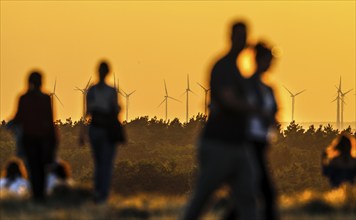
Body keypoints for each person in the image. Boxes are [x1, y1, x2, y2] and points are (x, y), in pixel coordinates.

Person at [182, 22, 260, 220]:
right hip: (219, 143)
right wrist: (254, 109)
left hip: (238, 143)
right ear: (231, 37)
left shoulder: (237, 69)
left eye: (245, 36)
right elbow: (228, 100)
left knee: (248, 197)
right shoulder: (222, 67)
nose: (242, 41)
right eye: (238, 36)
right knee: (204, 196)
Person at [12, 71, 57, 201]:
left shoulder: (24, 98)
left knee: (32, 168)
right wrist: (53, 140)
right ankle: (40, 195)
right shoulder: (45, 98)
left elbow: (18, 118)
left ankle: (36, 195)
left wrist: (11, 124)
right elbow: (50, 120)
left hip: (29, 139)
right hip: (43, 140)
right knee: (42, 169)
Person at [85, 60, 125, 204]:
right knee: (106, 163)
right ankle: (103, 194)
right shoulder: (111, 91)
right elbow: (116, 109)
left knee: (99, 163)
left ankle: (98, 193)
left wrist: (82, 134)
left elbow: (87, 112)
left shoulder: (92, 90)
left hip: (95, 128)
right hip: (106, 129)